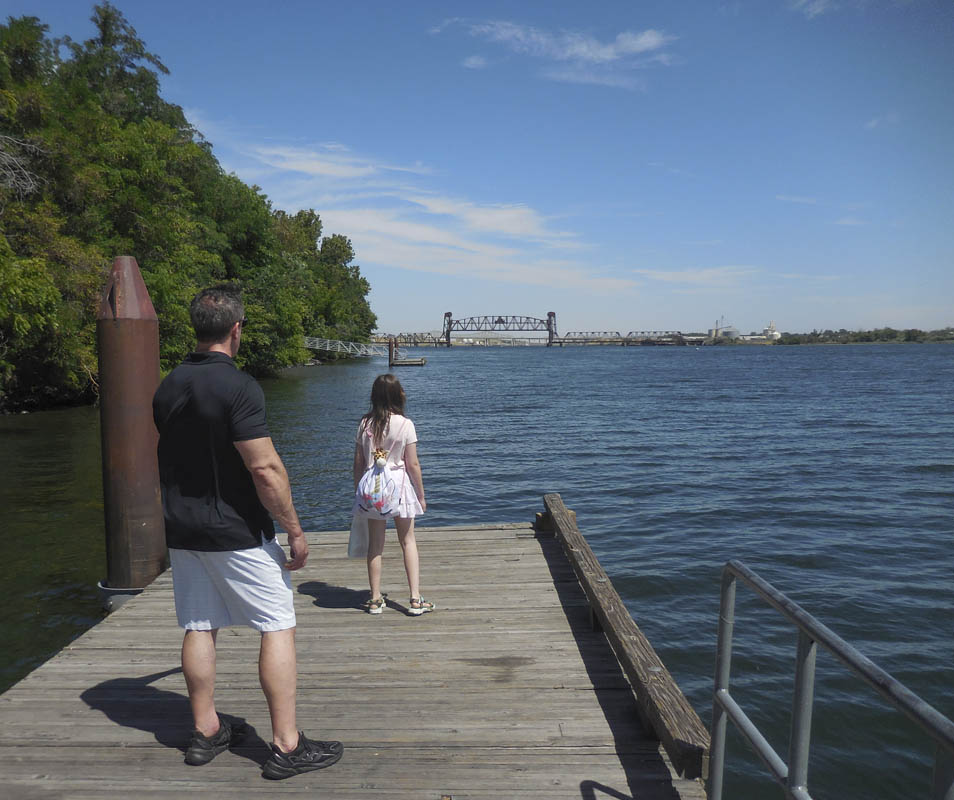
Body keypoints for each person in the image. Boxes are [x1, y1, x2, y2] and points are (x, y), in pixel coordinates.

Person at [152, 285, 343, 779]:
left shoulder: (167, 386)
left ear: (195, 327)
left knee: (198, 623)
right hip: (236, 530)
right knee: (277, 623)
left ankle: (207, 730)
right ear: (236, 330)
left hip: (183, 530)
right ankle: (286, 744)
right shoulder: (239, 387)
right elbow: (266, 470)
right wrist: (294, 530)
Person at [352, 374, 433, 615]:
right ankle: (415, 599)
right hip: (399, 487)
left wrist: (359, 491)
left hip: (374, 489)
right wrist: (421, 495)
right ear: (398, 395)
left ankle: (376, 599)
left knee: (375, 544)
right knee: (408, 541)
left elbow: (358, 463)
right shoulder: (405, 424)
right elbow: (413, 464)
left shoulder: (365, 424)